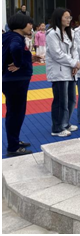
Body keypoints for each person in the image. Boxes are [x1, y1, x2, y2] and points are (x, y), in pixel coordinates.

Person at [2, 13, 42, 156]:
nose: (31, 26)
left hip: (12, 80)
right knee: (16, 113)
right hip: (16, 81)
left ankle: (15, 140)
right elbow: (15, 49)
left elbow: (12, 53)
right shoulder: (16, 38)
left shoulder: (8, 36)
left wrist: (29, 58)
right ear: (21, 24)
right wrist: (19, 63)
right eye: (29, 23)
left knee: (14, 112)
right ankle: (13, 147)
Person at [45, 8, 80, 138]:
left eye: (70, 17)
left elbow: (74, 50)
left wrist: (76, 63)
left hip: (70, 70)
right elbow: (57, 54)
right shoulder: (52, 33)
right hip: (59, 72)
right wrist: (73, 63)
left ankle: (65, 123)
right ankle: (57, 127)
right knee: (61, 101)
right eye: (66, 17)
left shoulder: (70, 32)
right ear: (58, 18)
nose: (68, 20)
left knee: (71, 100)